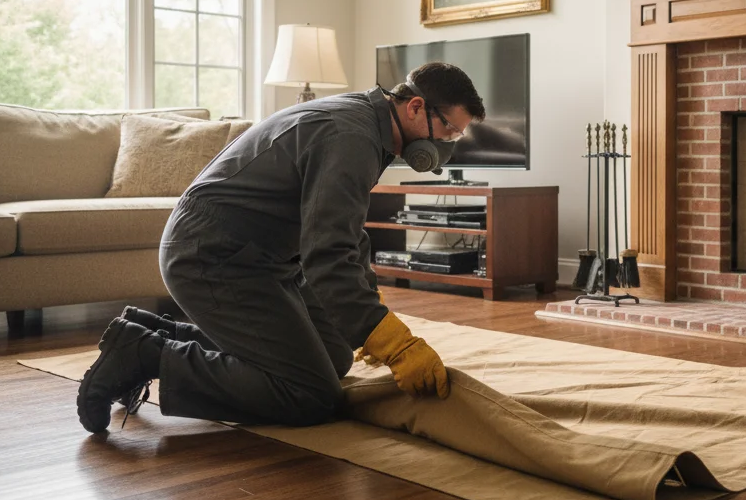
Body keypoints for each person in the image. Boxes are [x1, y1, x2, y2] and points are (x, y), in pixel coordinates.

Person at [75, 62, 486, 433]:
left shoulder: (368, 123)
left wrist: (369, 317)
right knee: (310, 394)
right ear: (415, 107)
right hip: (212, 255)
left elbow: (343, 230)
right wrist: (394, 343)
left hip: (261, 255)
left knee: (334, 356)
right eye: (450, 129)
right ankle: (145, 354)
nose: (449, 143)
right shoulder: (351, 136)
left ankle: (159, 333)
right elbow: (329, 254)